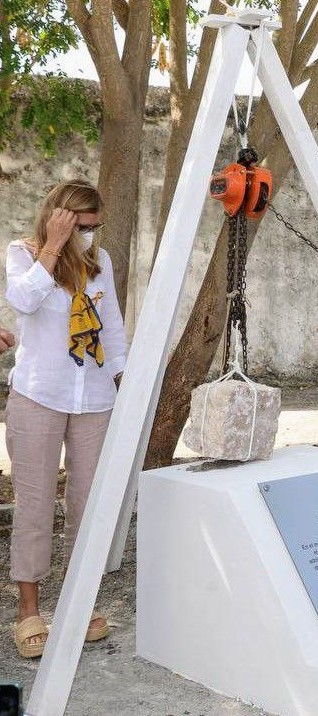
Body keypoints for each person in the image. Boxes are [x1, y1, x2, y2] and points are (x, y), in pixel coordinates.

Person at [6, 180, 127, 658]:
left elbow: (112, 324)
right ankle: (29, 611)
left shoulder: (101, 264)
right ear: (60, 218)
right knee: (34, 506)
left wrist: (124, 379)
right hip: (40, 395)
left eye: (95, 227)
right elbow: (22, 302)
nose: (90, 236)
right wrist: (53, 248)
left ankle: (79, 604)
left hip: (94, 398)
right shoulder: (24, 253)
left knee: (87, 506)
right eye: (83, 227)